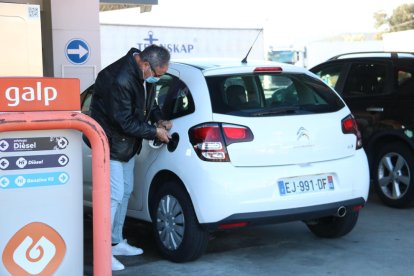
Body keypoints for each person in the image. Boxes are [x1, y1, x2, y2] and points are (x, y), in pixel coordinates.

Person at [90, 44, 172, 271]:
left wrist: (158, 119)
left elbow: (149, 102)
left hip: (127, 145)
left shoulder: (143, 75)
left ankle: (116, 242)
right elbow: (123, 121)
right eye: (157, 75)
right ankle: (103, 252)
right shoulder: (120, 79)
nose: (157, 79)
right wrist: (154, 132)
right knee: (113, 196)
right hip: (112, 144)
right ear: (146, 65)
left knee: (125, 191)